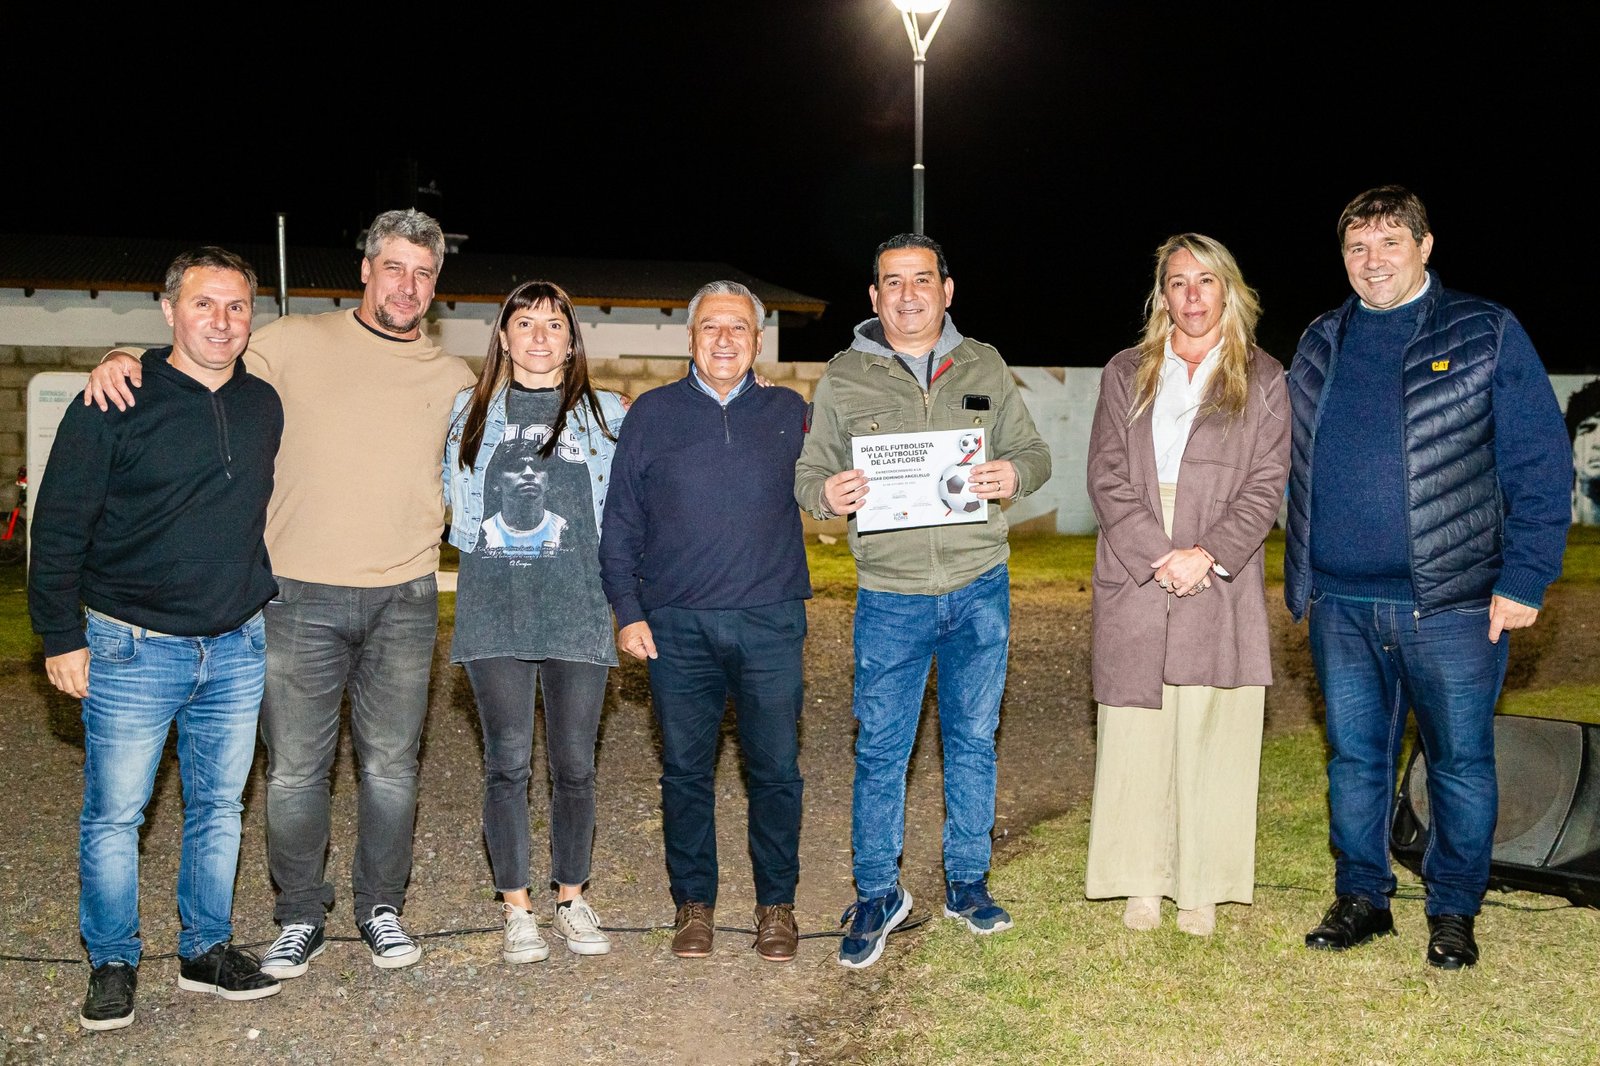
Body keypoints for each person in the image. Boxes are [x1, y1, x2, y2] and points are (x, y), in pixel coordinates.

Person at [84, 209, 476, 978]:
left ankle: (381, 907)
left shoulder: (454, 377)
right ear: (365, 270)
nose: (407, 286)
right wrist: (120, 356)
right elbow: (198, 357)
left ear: (436, 286)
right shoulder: (292, 342)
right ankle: (300, 912)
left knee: (392, 768)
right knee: (294, 770)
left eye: (423, 273)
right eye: (393, 268)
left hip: (404, 598)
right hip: (297, 597)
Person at [1285, 186, 1570, 969]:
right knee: (1356, 761)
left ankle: (1453, 909)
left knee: (1459, 762)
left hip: (1452, 604)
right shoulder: (1320, 340)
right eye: (1357, 247)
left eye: (1390, 243)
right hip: (1341, 601)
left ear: (1425, 246)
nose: (1372, 261)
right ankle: (1362, 896)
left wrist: (1526, 578)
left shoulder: (1485, 330)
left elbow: (1541, 464)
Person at [31, 248, 284, 1030]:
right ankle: (112, 960)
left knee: (220, 807)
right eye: (203, 303)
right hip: (131, 647)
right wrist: (59, 636)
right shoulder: (112, 400)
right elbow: (58, 525)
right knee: (115, 815)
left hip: (236, 646)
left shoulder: (264, 404)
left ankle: (205, 949)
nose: (222, 321)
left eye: (237, 306)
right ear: (170, 310)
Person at [794, 233, 1051, 969]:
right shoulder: (844, 376)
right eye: (893, 282)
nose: (908, 295)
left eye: (922, 279)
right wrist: (828, 493)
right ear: (874, 297)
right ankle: (878, 892)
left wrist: (1012, 475)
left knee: (973, 740)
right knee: (881, 749)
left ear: (947, 289)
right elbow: (808, 475)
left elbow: (1035, 455)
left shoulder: (985, 364)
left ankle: (968, 883)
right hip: (890, 596)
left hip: (979, 586)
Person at [1083, 234, 1289, 937]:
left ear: (1228, 290)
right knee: (1136, 728)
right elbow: (1106, 475)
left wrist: (1207, 554)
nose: (1192, 295)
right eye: (1178, 282)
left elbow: (1267, 483)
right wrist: (1157, 554)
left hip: (1219, 559)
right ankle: (1140, 878)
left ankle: (1201, 884)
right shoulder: (1126, 371)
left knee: (1211, 725)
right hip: (1137, 555)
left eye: (1206, 281)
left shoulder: (1263, 377)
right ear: (1161, 294)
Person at [599, 280, 810, 963]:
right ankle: (693, 904)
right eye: (711, 327)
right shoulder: (652, 414)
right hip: (676, 626)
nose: (725, 339)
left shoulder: (790, 411)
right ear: (690, 338)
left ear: (758, 340)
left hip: (770, 619)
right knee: (686, 773)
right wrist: (628, 611)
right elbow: (621, 521)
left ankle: (776, 905)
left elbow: (841, 472)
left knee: (775, 771)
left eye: (738, 328)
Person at [443, 280, 627, 963]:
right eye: (525, 323)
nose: (539, 336)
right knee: (507, 763)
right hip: (494, 610)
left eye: (554, 324)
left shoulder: (608, 414)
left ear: (572, 341)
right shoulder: (467, 411)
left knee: (575, 766)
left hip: (579, 609)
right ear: (503, 337)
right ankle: (517, 909)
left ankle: (572, 898)